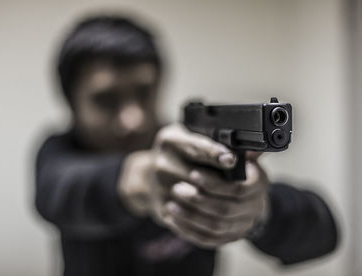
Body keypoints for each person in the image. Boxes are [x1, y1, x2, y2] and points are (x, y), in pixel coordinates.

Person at [35, 15, 338, 276]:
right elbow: (60, 191)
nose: (134, 118)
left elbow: (323, 231)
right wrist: (142, 180)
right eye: (106, 99)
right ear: (71, 103)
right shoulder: (58, 154)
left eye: (144, 91)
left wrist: (256, 209)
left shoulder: (191, 150)